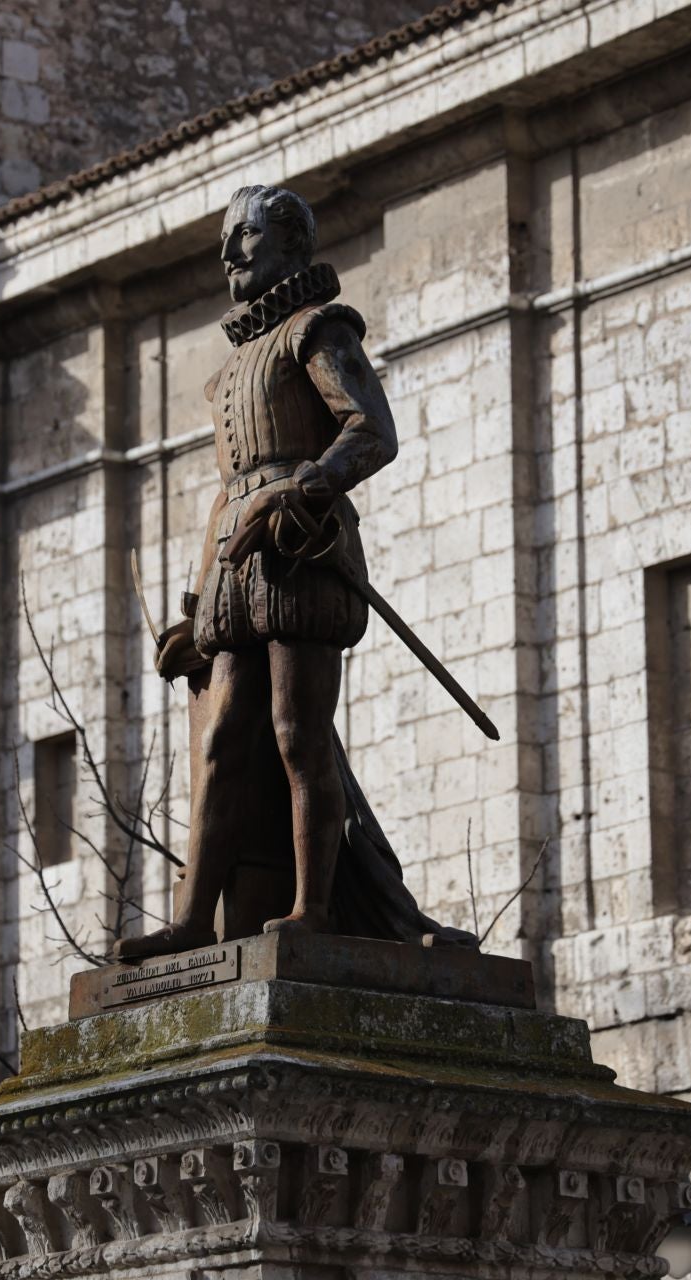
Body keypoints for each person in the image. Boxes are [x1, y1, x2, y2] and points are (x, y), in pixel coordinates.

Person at [116, 185, 474, 961]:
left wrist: (304, 485)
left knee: (297, 733)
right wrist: (195, 602)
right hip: (234, 566)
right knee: (221, 745)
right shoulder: (234, 365)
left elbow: (370, 430)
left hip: (302, 549)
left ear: (287, 241)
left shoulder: (319, 331)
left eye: (241, 237)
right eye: (223, 241)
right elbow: (226, 490)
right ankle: (190, 919)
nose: (227, 254)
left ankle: (313, 907)